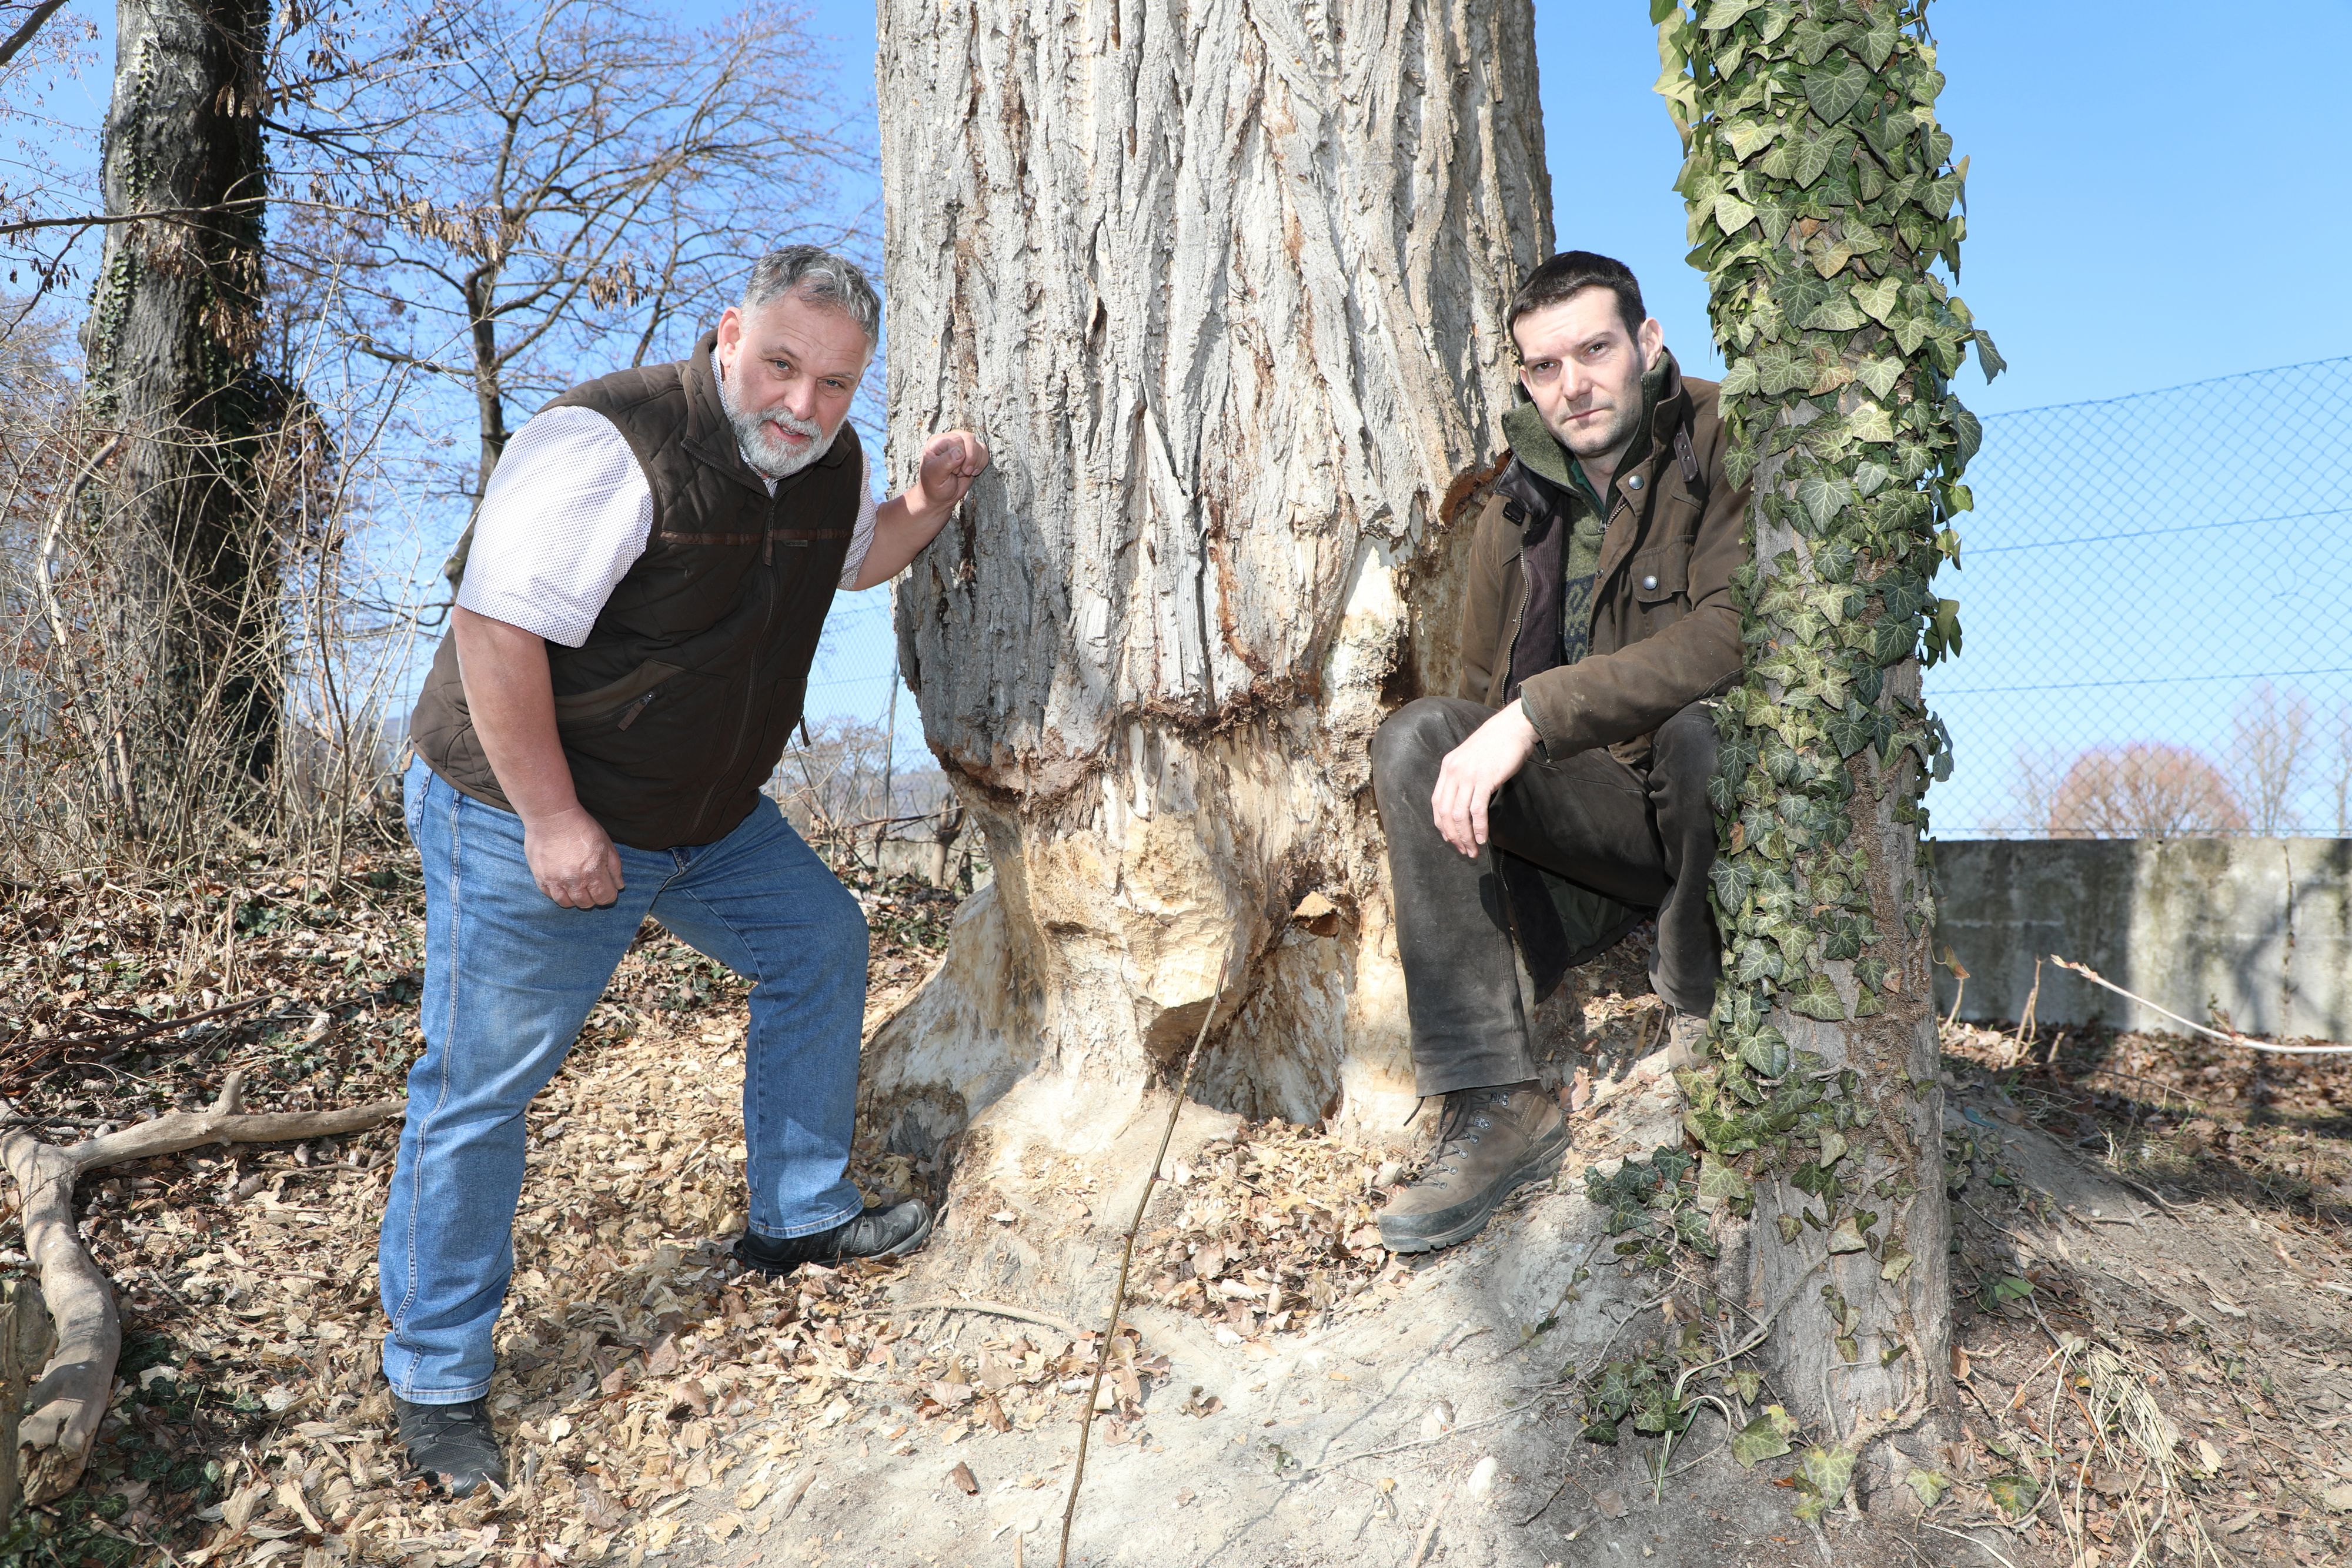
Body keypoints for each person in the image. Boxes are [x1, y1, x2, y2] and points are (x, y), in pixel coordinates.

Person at [389, 246, 989, 1495]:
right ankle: (437, 1376)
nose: (803, 403)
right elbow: (494, 629)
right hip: (520, 805)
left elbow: (852, 556)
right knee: (481, 1087)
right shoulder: (605, 441)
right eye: (781, 363)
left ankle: (798, 1215)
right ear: (727, 335)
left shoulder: (824, 465)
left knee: (815, 941)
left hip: (704, 818)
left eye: (835, 382)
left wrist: (924, 507)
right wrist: (556, 822)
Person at [1369, 251, 1748, 1255]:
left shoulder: (1720, 438)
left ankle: (1705, 1020)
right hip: (1585, 826)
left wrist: (1533, 715)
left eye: (1594, 350)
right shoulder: (1516, 501)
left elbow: (1727, 636)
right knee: (1420, 738)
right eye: (1544, 366)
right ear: (1524, 378)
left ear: (1647, 343)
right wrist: (1500, 731)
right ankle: (1494, 1103)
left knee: (1704, 732)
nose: (1572, 385)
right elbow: (1475, 688)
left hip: (1700, 808)